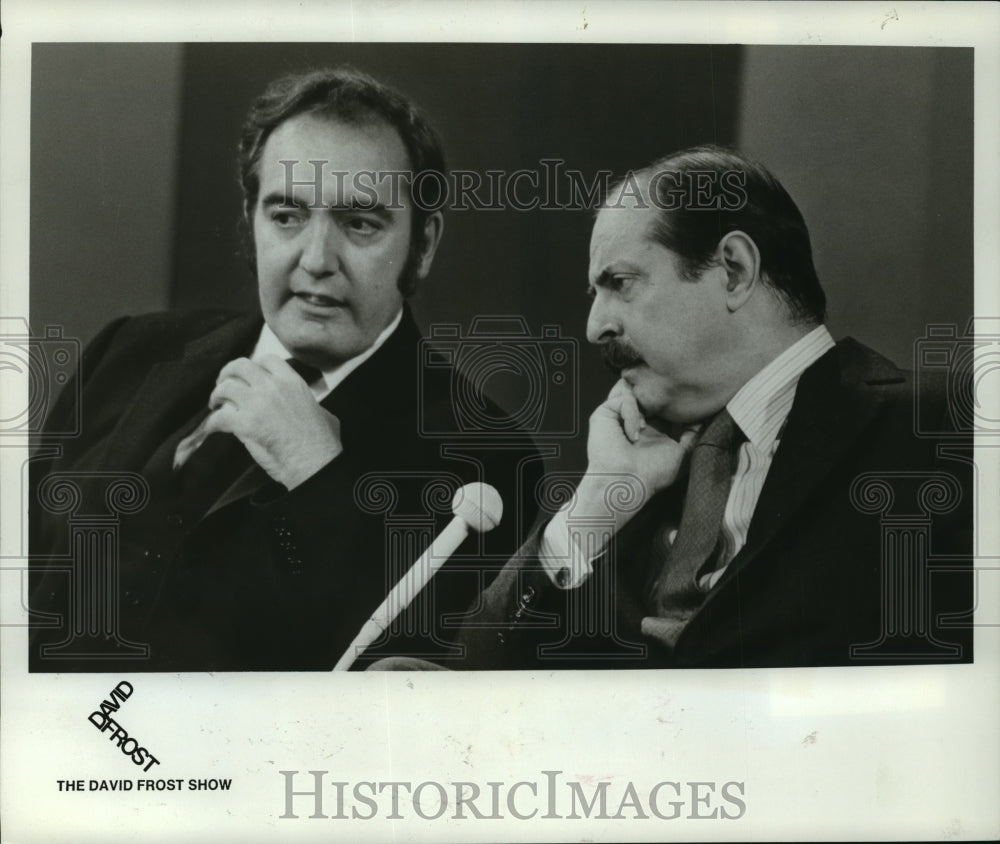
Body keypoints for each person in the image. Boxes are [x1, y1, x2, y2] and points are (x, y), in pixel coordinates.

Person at [29, 67, 541, 672]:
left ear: (422, 244)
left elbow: (400, 684)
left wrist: (319, 475)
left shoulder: (488, 457)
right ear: (251, 218)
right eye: (287, 216)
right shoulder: (129, 350)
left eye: (360, 223)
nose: (317, 259)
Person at [453, 145, 973, 669]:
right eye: (594, 294)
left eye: (620, 283)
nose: (594, 328)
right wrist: (594, 508)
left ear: (734, 270)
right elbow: (476, 672)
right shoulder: (628, 465)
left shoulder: (950, 426)